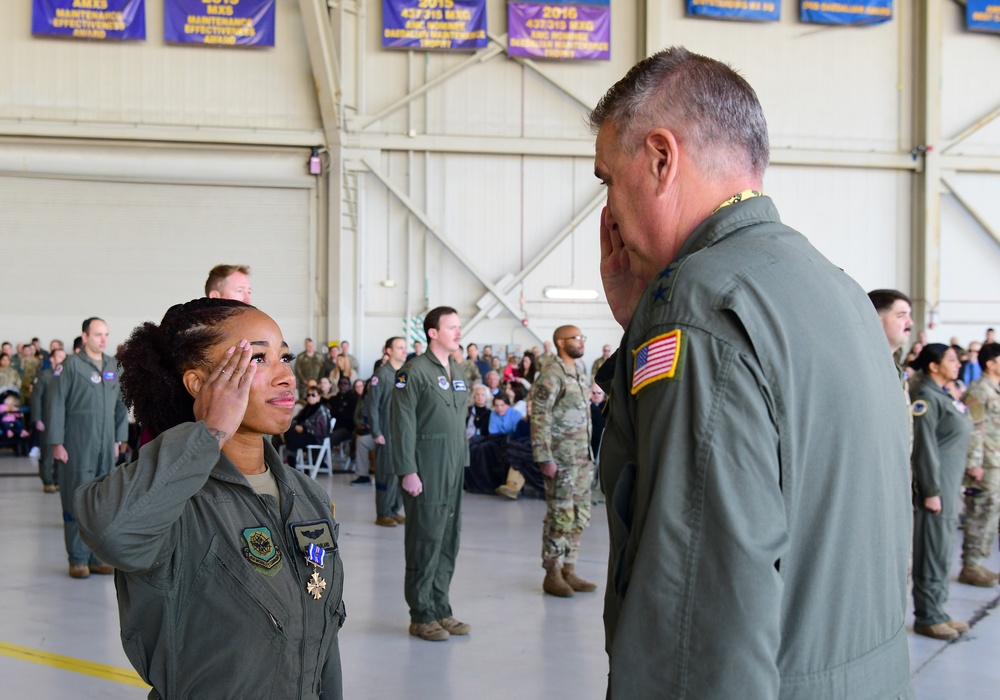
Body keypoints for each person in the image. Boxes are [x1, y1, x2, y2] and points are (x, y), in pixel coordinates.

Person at [590, 47, 913, 697]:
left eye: (607, 180)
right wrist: (641, 319)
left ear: (659, 158)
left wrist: (665, 311)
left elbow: (695, 625)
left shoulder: (699, 308)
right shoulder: (835, 289)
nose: (609, 213)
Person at [74, 299, 345, 698]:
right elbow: (115, 533)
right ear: (199, 384)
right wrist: (210, 431)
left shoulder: (308, 497)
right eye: (258, 358)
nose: (286, 375)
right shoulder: (172, 500)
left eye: (283, 356)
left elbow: (324, 646)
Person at [390, 306, 470, 642]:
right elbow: (402, 424)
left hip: (454, 466)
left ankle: (441, 608)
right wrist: (407, 469)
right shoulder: (413, 372)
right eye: (451, 327)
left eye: (459, 327)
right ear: (432, 332)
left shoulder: (458, 371)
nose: (458, 332)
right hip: (426, 466)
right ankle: (421, 614)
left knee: (449, 538)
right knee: (425, 539)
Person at [49, 317, 129, 579]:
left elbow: (120, 406)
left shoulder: (112, 366)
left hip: (105, 445)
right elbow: (57, 405)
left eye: (106, 334)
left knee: (102, 502)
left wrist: (119, 439)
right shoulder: (69, 367)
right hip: (77, 444)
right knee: (76, 500)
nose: (103, 339)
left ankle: (97, 557)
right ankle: (78, 559)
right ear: (84, 337)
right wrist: (57, 443)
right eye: (98, 335)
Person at [910, 343, 973, 640]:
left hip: (948, 486)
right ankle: (928, 615)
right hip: (935, 489)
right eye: (951, 360)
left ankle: (939, 609)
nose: (958, 364)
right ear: (933, 366)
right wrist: (931, 489)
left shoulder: (943, 395)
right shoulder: (925, 398)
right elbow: (924, 448)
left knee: (943, 549)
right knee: (932, 550)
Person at [529, 326, 596, 597]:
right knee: (560, 516)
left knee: (580, 516)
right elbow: (540, 416)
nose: (581, 342)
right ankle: (553, 573)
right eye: (576, 338)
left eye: (582, 337)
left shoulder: (579, 371)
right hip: (561, 460)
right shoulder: (552, 374)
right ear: (560, 342)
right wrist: (545, 457)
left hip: (582, 459)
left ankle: (570, 568)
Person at [957, 342, 1000, 588]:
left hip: (995, 462)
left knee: (991, 513)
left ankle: (979, 562)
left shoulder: (994, 389)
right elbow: (973, 428)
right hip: (984, 464)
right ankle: (970, 565)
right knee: (979, 512)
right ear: (991, 363)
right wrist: (974, 463)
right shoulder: (978, 390)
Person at [367, 336, 408, 527]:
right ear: (388, 351)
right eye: (400, 347)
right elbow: (372, 405)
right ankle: (383, 513)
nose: (404, 350)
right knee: (386, 474)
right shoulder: (382, 375)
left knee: (400, 472)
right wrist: (376, 431)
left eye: (404, 347)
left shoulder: (403, 374)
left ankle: (393, 510)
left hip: (402, 432)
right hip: (386, 432)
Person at [31, 346, 67, 493]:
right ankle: (48, 480)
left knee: (61, 450)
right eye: (59, 357)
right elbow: (36, 399)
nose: (62, 360)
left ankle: (58, 479)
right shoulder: (44, 376)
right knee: (47, 452)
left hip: (63, 420)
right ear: (52, 359)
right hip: (47, 419)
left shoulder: (65, 375)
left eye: (64, 357)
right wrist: (37, 419)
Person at [283, 386, 332, 459]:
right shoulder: (306, 408)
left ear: (319, 397)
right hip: (302, 434)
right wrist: (296, 426)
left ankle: (291, 459)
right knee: (289, 432)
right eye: (308, 395)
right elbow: (295, 420)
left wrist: (304, 428)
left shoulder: (321, 411)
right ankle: (291, 458)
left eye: (313, 395)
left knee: (291, 435)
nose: (310, 397)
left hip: (316, 438)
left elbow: (322, 431)